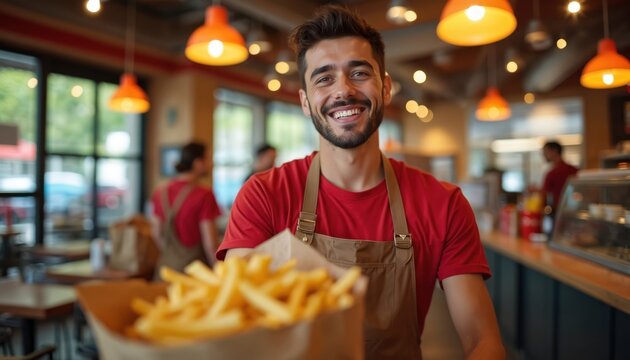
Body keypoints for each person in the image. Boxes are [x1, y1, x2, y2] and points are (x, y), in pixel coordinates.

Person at [217, 5, 504, 359]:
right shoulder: (265, 194)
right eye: (324, 78)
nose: (344, 90)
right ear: (306, 103)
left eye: (359, 72)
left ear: (385, 88)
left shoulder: (442, 202)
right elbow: (234, 327)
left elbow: (482, 341)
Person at [150, 142, 221, 278]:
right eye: (208, 158)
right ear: (197, 163)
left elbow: (157, 233)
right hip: (193, 274)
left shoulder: (160, 192)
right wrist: (218, 271)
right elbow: (210, 243)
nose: (212, 163)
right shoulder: (204, 194)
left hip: (165, 271)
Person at [542, 141, 579, 207]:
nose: (544, 155)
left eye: (545, 151)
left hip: (558, 209)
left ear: (554, 151)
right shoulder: (574, 169)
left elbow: (544, 193)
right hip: (574, 207)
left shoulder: (552, 173)